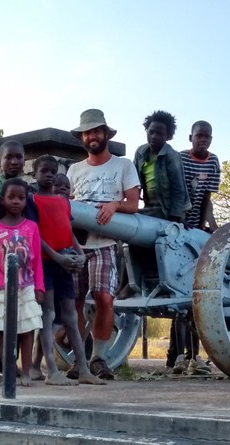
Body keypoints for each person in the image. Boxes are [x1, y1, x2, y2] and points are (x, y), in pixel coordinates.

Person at [66, 109, 141, 380]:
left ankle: (98, 357)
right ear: (82, 137)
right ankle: (77, 358)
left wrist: (114, 205)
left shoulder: (123, 165)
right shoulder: (75, 169)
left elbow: (133, 204)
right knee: (73, 301)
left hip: (106, 242)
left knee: (104, 298)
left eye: (97, 131)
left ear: (106, 134)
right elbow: (68, 202)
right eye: (87, 132)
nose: (92, 136)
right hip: (76, 244)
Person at [31, 155, 105, 385]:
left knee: (71, 316)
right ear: (35, 173)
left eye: (53, 171)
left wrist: (80, 253)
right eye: (44, 171)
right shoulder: (32, 201)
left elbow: (68, 231)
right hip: (46, 262)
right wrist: (57, 257)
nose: (49, 175)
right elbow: (35, 235)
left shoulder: (63, 202)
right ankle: (51, 371)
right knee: (48, 315)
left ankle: (83, 369)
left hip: (66, 261)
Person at [132, 110, 191, 375]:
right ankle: (138, 282)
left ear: (167, 135)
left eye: (159, 132)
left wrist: (175, 222)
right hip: (148, 208)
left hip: (168, 211)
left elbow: (179, 189)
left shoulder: (172, 156)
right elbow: (134, 184)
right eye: (150, 131)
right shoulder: (141, 153)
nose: (153, 136)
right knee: (132, 234)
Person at [0, 178, 44, 387]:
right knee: (3, 331)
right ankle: (8, 370)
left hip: (27, 286)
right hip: (1, 287)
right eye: (11, 197)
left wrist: (39, 286)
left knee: (27, 330)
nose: (16, 201)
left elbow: (37, 260)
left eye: (20, 197)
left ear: (26, 201)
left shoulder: (32, 227)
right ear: (2, 200)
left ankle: (26, 372)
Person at [176, 120, 221, 375]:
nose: (202, 140)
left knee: (192, 298)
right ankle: (179, 357)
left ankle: (194, 357)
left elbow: (207, 197)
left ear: (211, 140)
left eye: (207, 137)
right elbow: (177, 190)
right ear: (190, 137)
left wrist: (210, 225)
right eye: (198, 136)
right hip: (178, 223)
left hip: (196, 226)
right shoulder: (182, 159)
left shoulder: (213, 162)